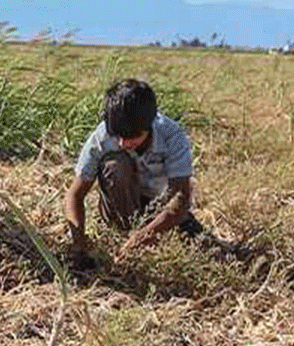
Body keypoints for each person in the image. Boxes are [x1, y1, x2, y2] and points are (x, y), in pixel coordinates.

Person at [65, 79, 203, 266]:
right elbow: (75, 194)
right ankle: (124, 231)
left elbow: (181, 197)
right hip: (117, 206)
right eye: (118, 136)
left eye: (131, 137)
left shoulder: (172, 135)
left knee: (206, 249)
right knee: (116, 164)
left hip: (158, 207)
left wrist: (146, 235)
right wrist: (79, 244)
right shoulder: (102, 136)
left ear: (149, 125)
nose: (123, 143)